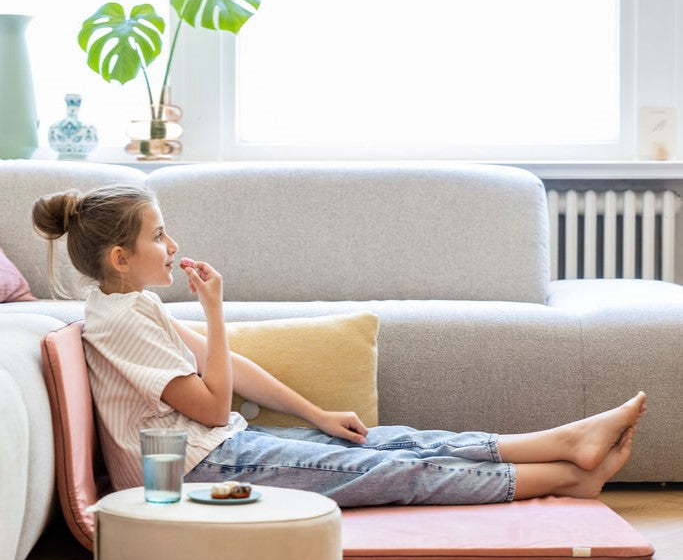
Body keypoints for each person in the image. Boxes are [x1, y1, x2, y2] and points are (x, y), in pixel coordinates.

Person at [32, 184, 647, 506]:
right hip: (200, 470)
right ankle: (566, 477)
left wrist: (317, 414)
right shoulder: (118, 324)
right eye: (159, 235)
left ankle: (567, 444)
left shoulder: (132, 306)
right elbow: (214, 406)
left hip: (224, 449)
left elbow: (234, 372)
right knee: (393, 470)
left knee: (393, 440)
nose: (171, 245)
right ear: (121, 257)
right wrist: (215, 311)